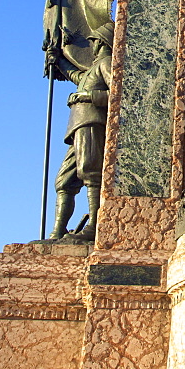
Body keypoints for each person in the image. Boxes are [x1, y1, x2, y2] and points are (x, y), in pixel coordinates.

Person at [48, 22, 114, 241]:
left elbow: (118, 92)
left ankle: (95, 226)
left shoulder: (106, 63)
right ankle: (58, 231)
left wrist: (87, 97)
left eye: (93, 41)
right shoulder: (91, 71)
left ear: (100, 42)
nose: (91, 46)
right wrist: (57, 60)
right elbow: (76, 76)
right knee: (63, 181)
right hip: (78, 126)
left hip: (91, 122)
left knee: (90, 173)